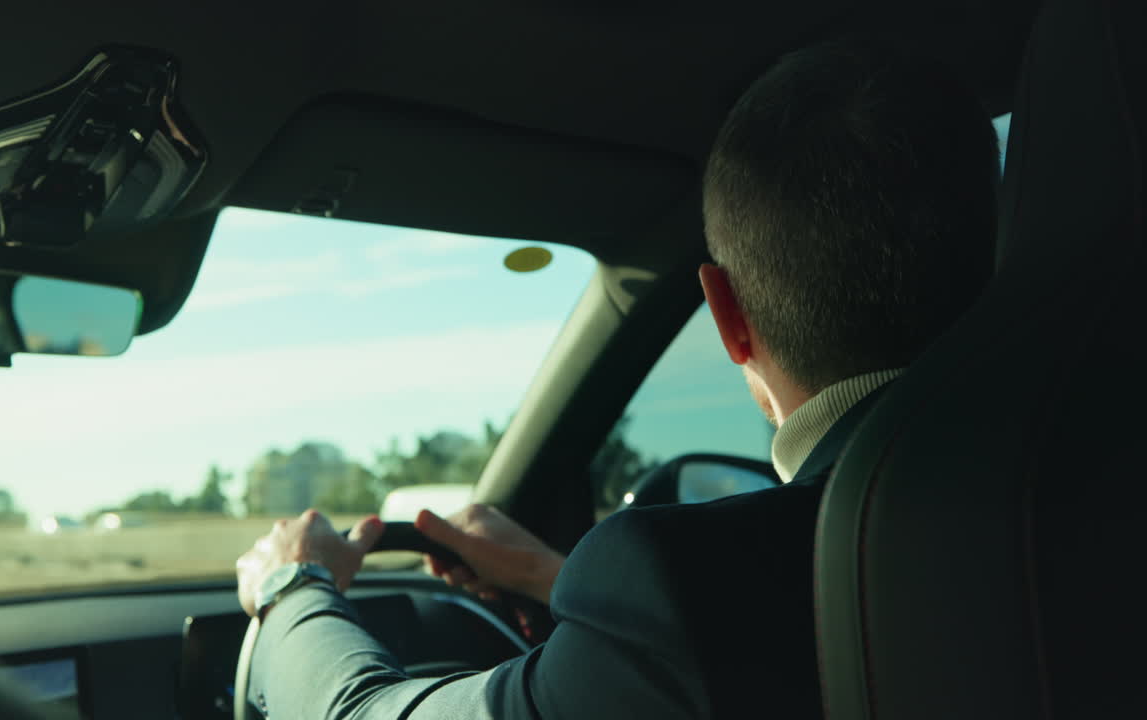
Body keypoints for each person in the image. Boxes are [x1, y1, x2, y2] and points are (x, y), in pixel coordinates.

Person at [235, 40, 999, 719]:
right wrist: (552, 577)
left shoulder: (684, 583)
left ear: (727, 314)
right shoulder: (1054, 507)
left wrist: (292, 589)